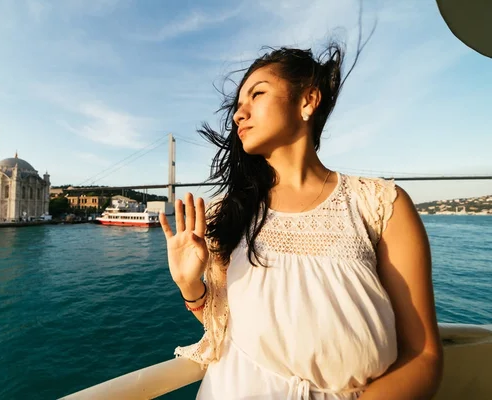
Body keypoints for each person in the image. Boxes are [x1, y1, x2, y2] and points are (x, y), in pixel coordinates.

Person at [159, 41, 443, 399]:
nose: (238, 115)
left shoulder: (380, 205)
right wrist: (189, 286)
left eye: (257, 94)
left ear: (307, 101)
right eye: (237, 105)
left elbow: (424, 355)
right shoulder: (226, 214)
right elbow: (227, 328)